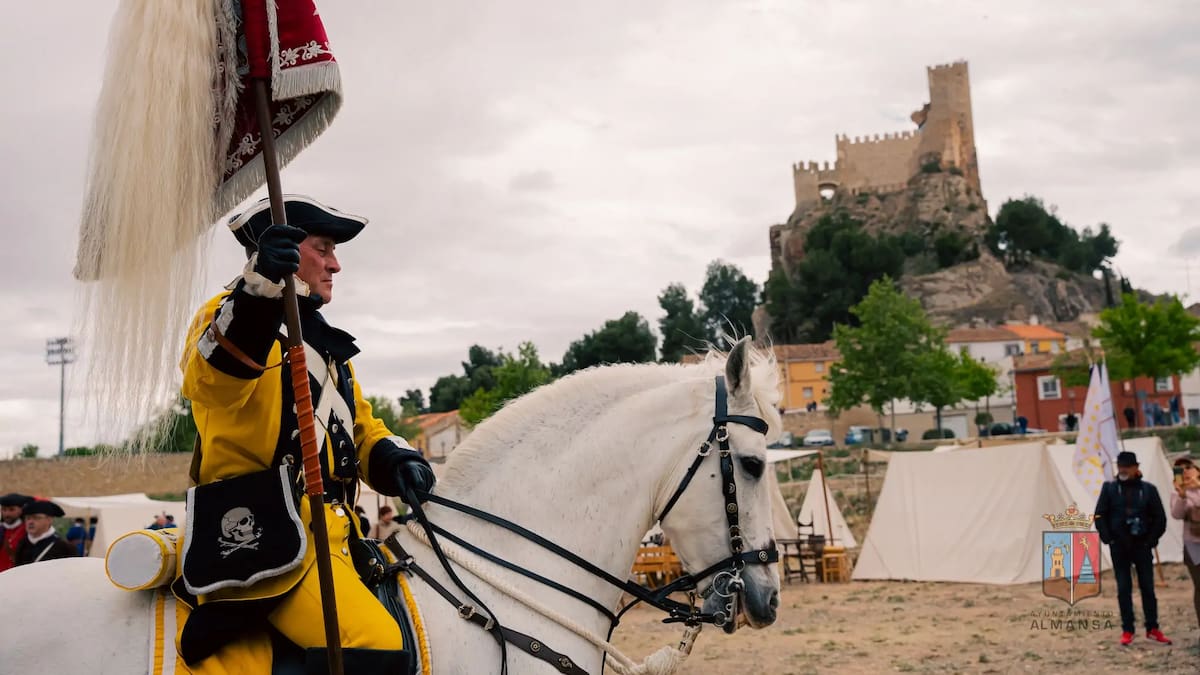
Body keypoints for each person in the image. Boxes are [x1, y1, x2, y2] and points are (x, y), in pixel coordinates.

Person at [177, 195, 433, 672]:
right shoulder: (232, 313)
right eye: (323, 248)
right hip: (263, 535)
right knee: (374, 645)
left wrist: (397, 461)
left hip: (336, 535)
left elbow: (359, 428)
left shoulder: (323, 341)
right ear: (286, 251)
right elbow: (210, 383)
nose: (335, 264)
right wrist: (259, 292)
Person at [1095, 450, 1171, 646]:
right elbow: (1099, 515)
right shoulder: (1110, 489)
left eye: (1127, 467)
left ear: (1136, 468)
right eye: (1120, 466)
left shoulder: (1148, 490)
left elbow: (1160, 518)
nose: (1123, 470)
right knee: (1123, 588)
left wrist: (1151, 540)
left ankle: (1152, 627)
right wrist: (1107, 538)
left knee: (1147, 587)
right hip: (1119, 546)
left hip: (1142, 545)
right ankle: (1128, 629)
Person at [1170, 456, 1200, 633]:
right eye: (1180, 470)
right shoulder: (1178, 492)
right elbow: (1177, 514)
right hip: (1193, 546)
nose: (1186, 472)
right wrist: (1182, 495)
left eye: (1188, 467)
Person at [16, 500, 76, 565]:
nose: (30, 522)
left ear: (49, 520)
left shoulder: (64, 547)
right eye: (28, 518)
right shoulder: (22, 544)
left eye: (36, 518)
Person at [0, 493, 32, 572]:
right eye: (4, 509)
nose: (7, 514)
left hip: (19, 573)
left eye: (11, 509)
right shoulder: (1, 528)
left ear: (21, 510)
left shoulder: (28, 530)